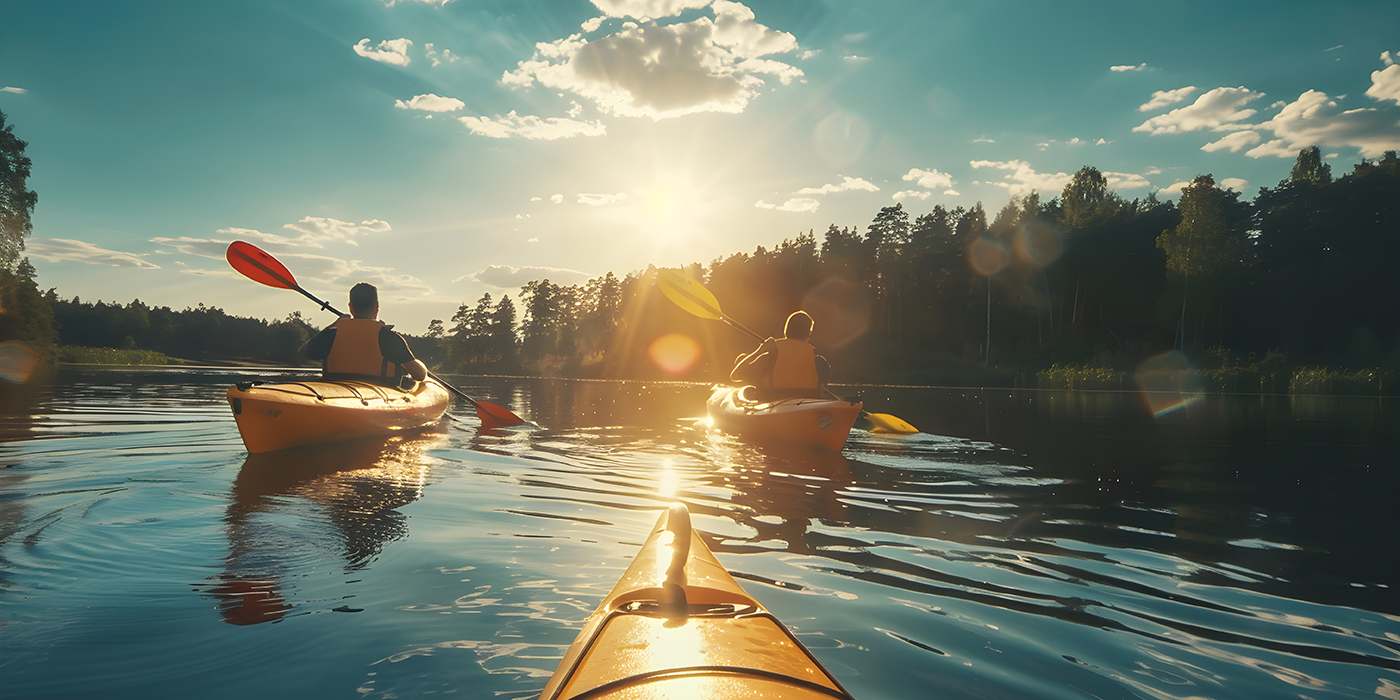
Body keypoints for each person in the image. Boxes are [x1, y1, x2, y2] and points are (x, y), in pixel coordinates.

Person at [302, 282, 427, 388]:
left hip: (335, 397)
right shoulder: (388, 338)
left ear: (350, 307)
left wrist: (334, 324)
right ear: (377, 307)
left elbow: (303, 353)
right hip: (379, 403)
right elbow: (420, 375)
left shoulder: (331, 334)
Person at [730, 310, 831, 401]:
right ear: (809, 334)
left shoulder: (771, 357)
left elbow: (736, 375)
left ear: (786, 331)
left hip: (774, 406)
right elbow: (828, 380)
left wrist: (760, 350)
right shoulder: (818, 361)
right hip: (806, 409)